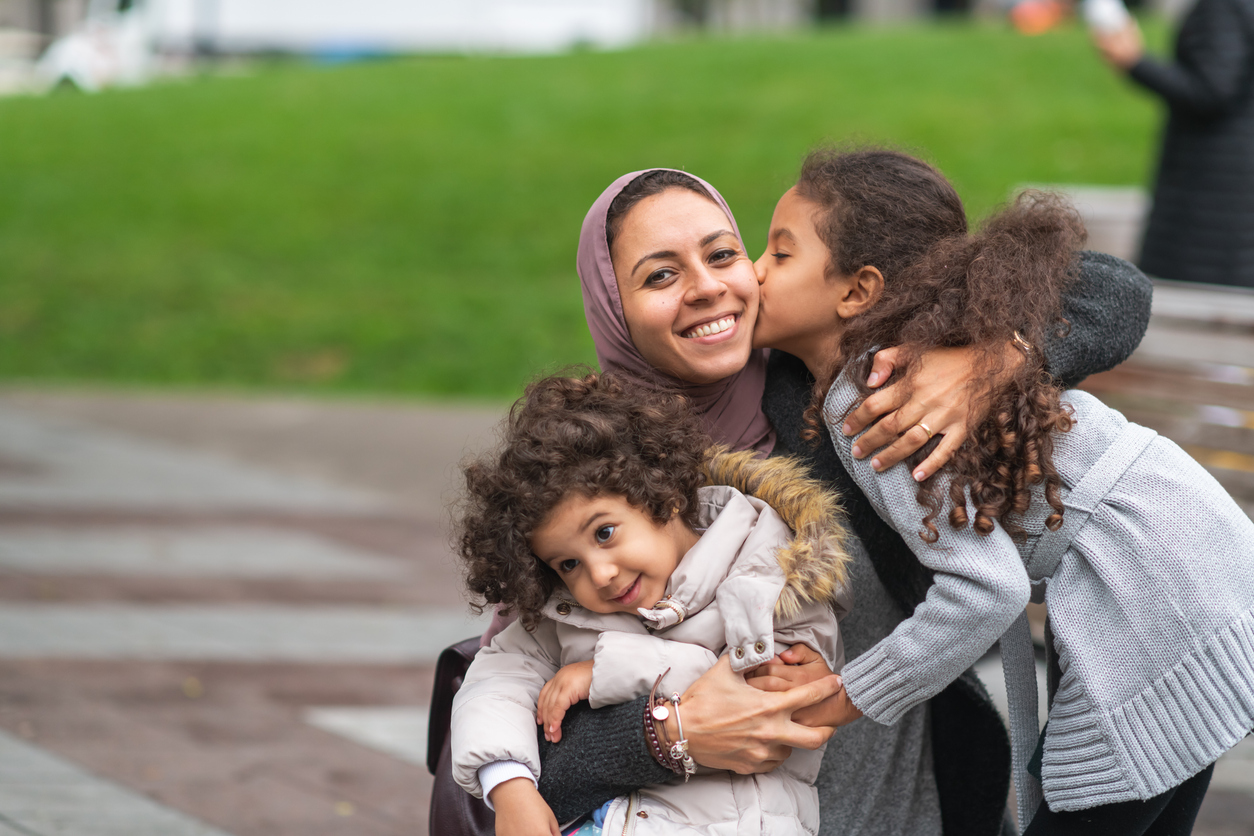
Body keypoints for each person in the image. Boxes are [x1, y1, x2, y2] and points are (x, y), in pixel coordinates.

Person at [520, 166, 1154, 836]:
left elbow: (1111, 289)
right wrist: (667, 733)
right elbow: (513, 743)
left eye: (723, 255)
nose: (708, 289)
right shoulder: (587, 469)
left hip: (920, 811)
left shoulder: (828, 388)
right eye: (659, 276)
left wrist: (996, 355)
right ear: (611, 305)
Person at [762, 146, 1254, 835]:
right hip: (1182, 537)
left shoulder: (871, 397)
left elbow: (984, 589)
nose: (753, 273)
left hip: (1146, 571)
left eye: (778, 256)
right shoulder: (923, 336)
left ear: (856, 290)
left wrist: (848, 696)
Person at [451, 371, 851, 835]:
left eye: (604, 533)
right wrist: (509, 785)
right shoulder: (568, 613)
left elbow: (762, 692)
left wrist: (605, 672)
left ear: (660, 491)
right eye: (567, 564)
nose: (599, 575)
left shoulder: (767, 565)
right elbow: (493, 684)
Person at [1095, 0, 1254, 288]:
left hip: (1212, 185)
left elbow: (1212, 91)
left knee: (1198, 298)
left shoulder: (1222, 7)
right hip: (1234, 182)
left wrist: (1134, 61)